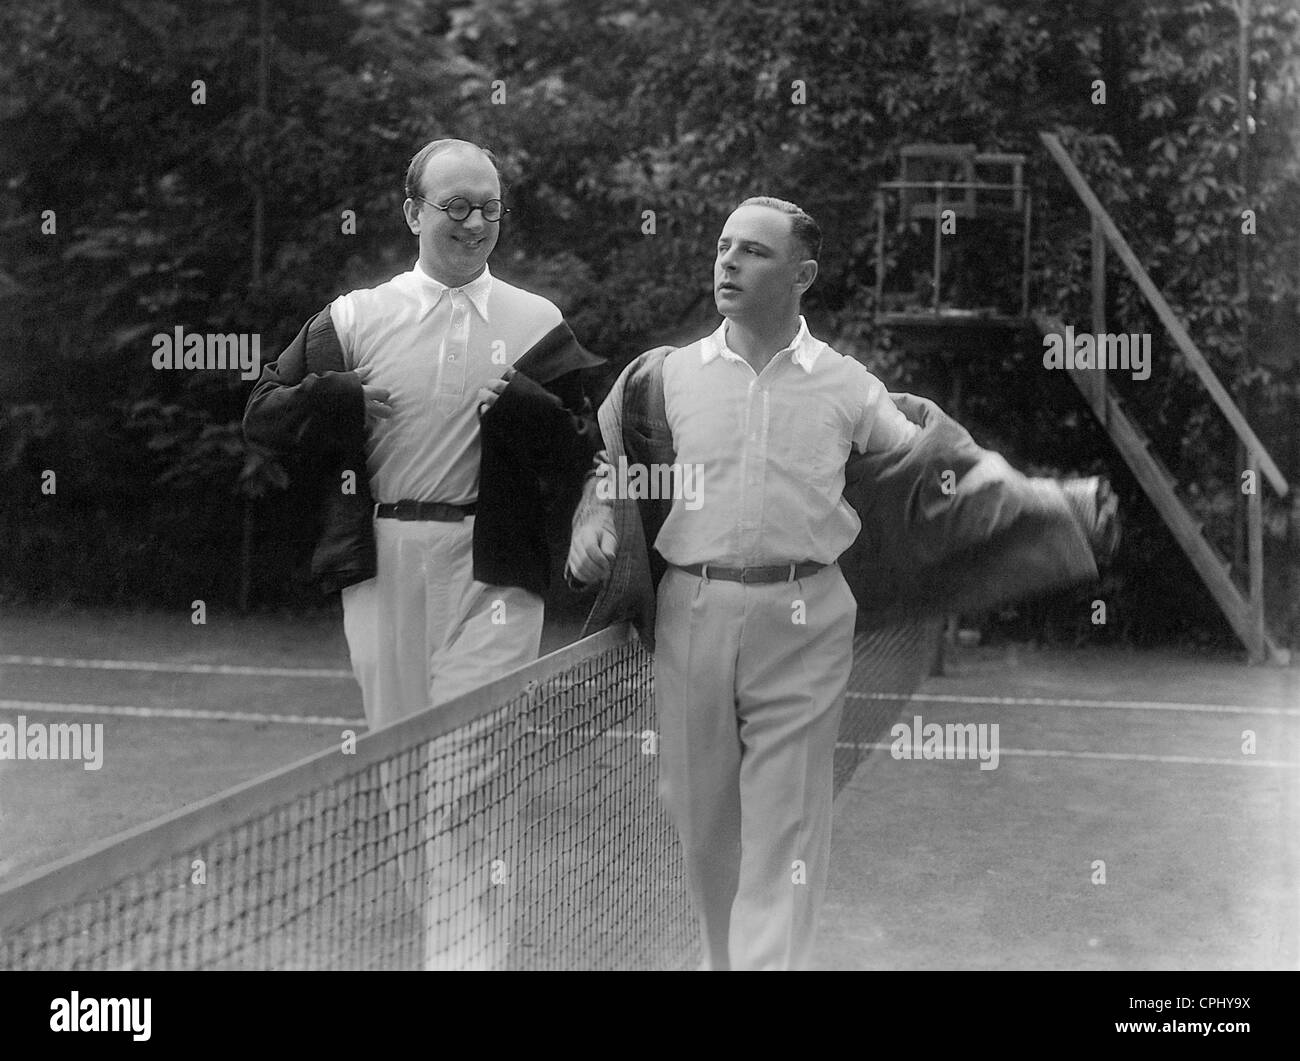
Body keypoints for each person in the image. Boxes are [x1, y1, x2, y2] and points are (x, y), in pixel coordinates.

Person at [567, 196, 1116, 971]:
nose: (728, 261)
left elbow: (937, 472)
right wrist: (594, 520)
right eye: (725, 246)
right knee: (700, 820)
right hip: (690, 612)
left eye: (754, 251)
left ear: (803, 274)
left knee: (787, 823)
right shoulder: (667, 378)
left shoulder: (848, 387)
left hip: (805, 614)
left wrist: (1050, 502)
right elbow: (612, 467)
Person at [244, 138, 602, 969]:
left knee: (471, 775)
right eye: (456, 206)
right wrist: (338, 395)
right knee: (405, 775)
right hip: (382, 567)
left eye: (489, 208)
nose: (475, 222)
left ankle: (467, 961)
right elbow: (262, 413)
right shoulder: (354, 318)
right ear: (413, 213)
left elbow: (585, 446)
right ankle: (453, 945)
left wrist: (525, 404)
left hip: (495, 571)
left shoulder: (537, 322)